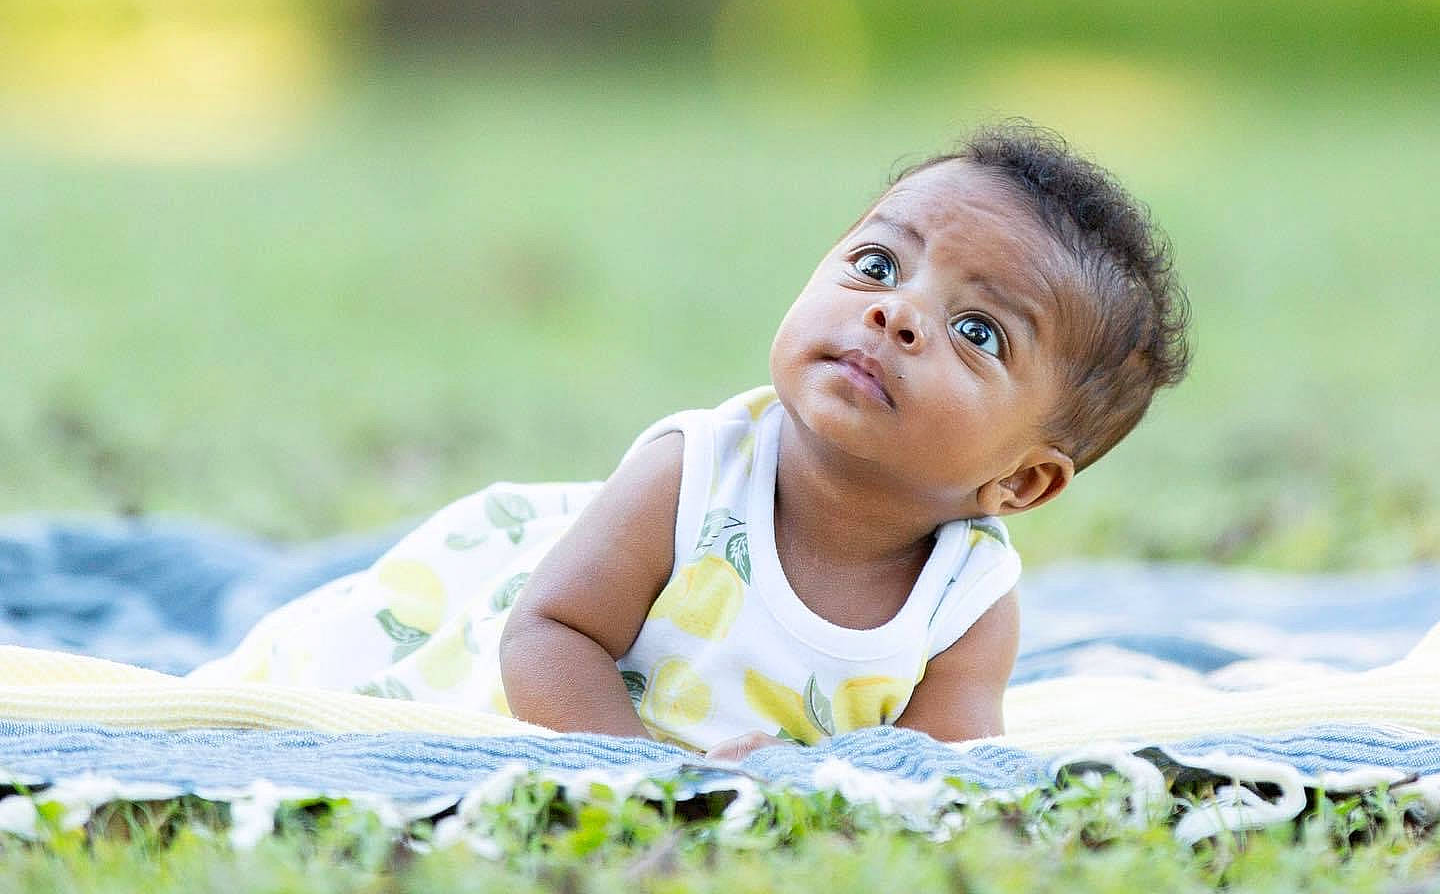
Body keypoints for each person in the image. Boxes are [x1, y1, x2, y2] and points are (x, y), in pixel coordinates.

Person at [190, 122, 1190, 759]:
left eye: (978, 332)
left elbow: (935, 777)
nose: (898, 315)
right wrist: (657, 786)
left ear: (1020, 483)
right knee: (307, 679)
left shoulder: (968, 597)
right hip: (492, 636)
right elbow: (547, 638)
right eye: (879, 264)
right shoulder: (694, 476)